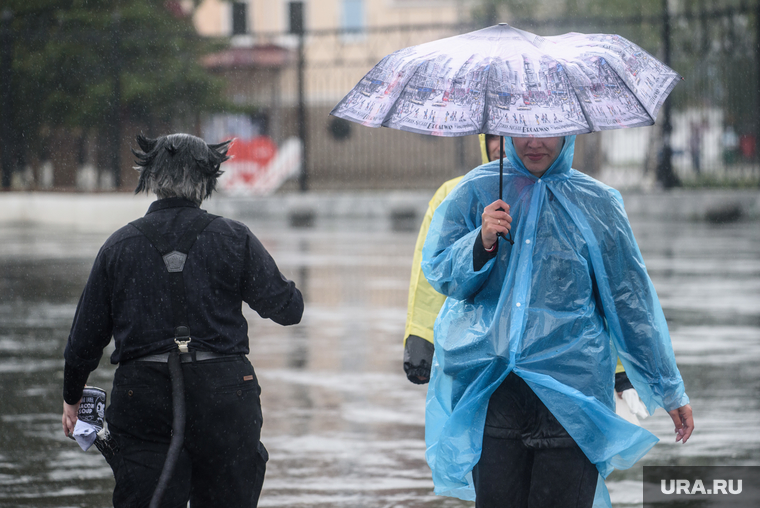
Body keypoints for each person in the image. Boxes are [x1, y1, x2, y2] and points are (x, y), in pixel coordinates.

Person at [420, 134, 694, 507]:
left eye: (546, 129)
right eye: (522, 127)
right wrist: (481, 241)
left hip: (573, 396)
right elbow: (440, 274)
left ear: (569, 132)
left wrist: (667, 386)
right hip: (494, 389)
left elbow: (630, 302)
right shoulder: (477, 191)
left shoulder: (597, 203)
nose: (534, 141)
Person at [61, 133, 304, 507]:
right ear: (208, 181)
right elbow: (289, 310)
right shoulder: (234, 238)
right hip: (226, 394)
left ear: (151, 180)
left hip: (143, 397)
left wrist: (72, 398)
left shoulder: (118, 247)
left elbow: (84, 340)